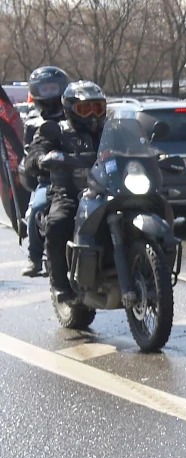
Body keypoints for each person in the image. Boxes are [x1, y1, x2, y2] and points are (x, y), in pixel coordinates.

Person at [25, 80, 106, 304]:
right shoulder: (57, 131)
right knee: (58, 222)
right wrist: (41, 158)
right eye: (84, 109)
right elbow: (34, 154)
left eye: (97, 108)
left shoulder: (110, 128)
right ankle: (59, 283)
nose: (92, 115)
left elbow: (134, 144)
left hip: (108, 191)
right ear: (70, 110)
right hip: (69, 192)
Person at [18, 66, 70, 278]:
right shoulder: (33, 123)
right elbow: (30, 152)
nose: (49, 93)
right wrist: (41, 160)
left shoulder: (73, 115)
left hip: (76, 176)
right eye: (45, 88)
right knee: (37, 207)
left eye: (53, 88)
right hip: (48, 179)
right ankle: (34, 256)